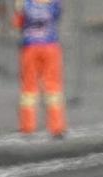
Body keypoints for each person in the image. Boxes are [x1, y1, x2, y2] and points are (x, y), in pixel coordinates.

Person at [12, 0, 66, 137]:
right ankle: (57, 127)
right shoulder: (54, 3)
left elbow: (17, 23)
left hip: (30, 47)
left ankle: (27, 127)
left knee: (28, 89)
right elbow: (57, 15)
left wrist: (19, 11)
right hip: (50, 46)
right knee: (53, 88)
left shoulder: (24, 3)